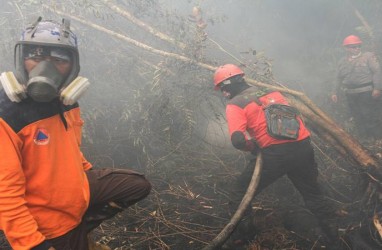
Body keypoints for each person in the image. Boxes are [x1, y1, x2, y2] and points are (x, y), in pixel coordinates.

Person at [0, 17, 151, 250]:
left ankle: (81, 225)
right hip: (50, 222)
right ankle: (71, 237)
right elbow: (5, 194)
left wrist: (86, 173)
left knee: (135, 185)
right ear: (21, 59)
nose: (45, 68)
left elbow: (68, 146)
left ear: (73, 65)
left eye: (59, 59)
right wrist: (33, 245)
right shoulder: (6, 114)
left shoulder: (67, 101)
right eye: (36, 57)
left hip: (72, 193)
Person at [212, 64, 341, 248]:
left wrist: (253, 147)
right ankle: (333, 233)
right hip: (303, 145)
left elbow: (238, 140)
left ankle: (243, 237)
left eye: (223, 88)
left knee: (239, 192)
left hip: (277, 155)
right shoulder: (271, 92)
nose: (223, 93)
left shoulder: (235, 104)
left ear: (229, 85)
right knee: (312, 191)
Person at [331, 35, 382, 141]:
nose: (357, 48)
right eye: (353, 47)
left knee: (369, 114)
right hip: (350, 93)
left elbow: (377, 72)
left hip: (366, 91)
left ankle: (377, 138)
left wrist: (377, 88)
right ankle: (364, 138)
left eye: (358, 46)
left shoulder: (368, 57)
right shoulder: (342, 61)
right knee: (357, 115)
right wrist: (334, 92)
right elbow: (337, 77)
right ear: (346, 48)